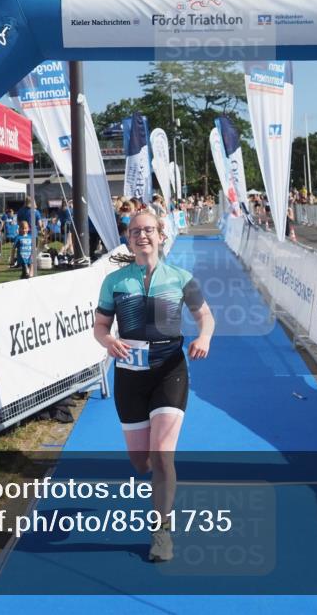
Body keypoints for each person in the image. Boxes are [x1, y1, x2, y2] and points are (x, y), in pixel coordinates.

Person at [93, 210, 215, 563]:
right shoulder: (115, 282)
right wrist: (108, 341)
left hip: (169, 370)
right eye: (135, 231)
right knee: (140, 462)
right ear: (128, 239)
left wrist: (204, 336)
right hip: (130, 377)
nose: (142, 236)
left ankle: (161, 531)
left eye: (148, 230)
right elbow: (100, 326)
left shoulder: (180, 278)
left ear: (161, 235)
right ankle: (158, 485)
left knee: (162, 455)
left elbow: (204, 315)